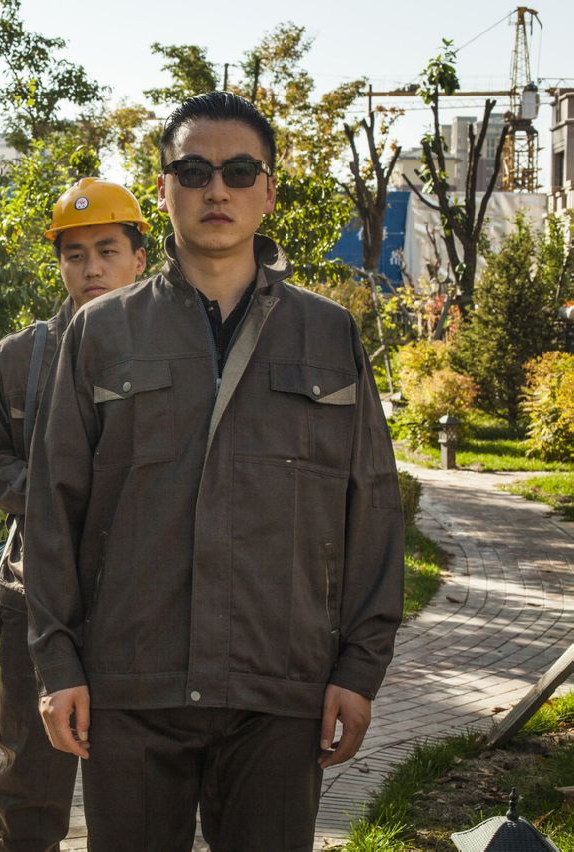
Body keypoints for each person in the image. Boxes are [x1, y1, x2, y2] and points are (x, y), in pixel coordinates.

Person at [24, 92, 404, 851]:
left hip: (280, 687)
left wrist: (358, 671)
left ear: (269, 191)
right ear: (164, 189)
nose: (217, 189)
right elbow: (54, 508)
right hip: (132, 685)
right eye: (194, 171)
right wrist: (58, 663)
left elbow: (372, 510)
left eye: (239, 171)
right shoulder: (103, 332)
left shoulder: (327, 334)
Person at [0, 177, 149, 850]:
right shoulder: (20, 358)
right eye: (75, 254)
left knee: (137, 783)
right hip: (35, 596)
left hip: (144, 603)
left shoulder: (174, 356)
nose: (91, 267)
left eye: (107, 250)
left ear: (139, 259)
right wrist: (52, 498)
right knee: (31, 776)